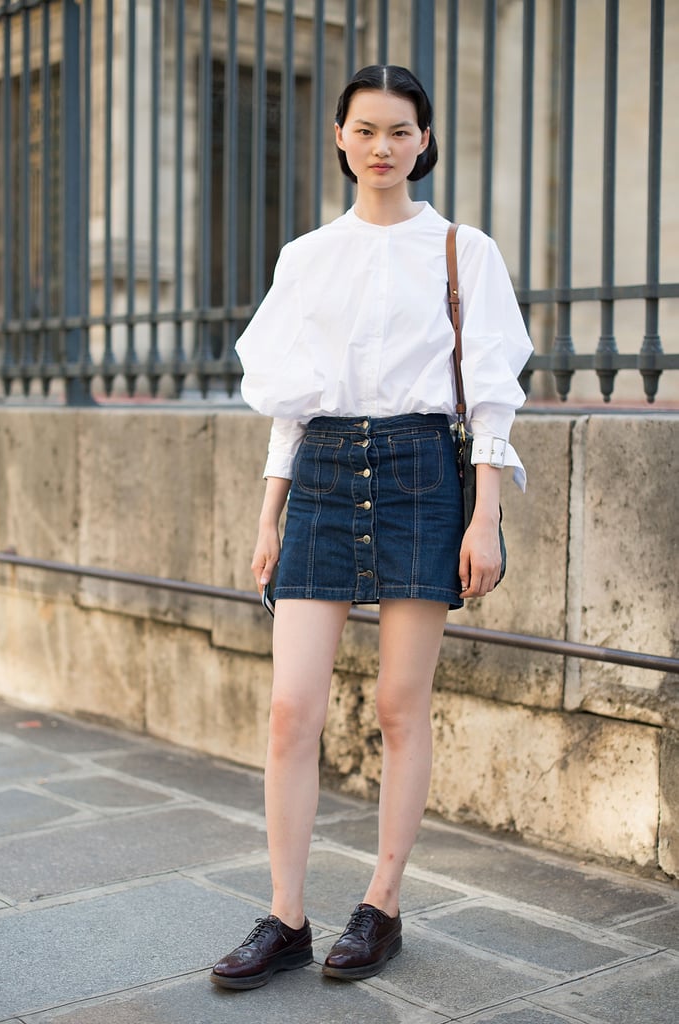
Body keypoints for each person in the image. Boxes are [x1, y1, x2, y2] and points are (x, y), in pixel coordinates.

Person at [210, 64, 532, 991]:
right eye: (365, 129)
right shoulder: (307, 255)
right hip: (320, 474)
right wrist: (268, 512)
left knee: (399, 705)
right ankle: (285, 916)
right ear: (341, 137)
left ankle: (381, 906)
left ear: (424, 141)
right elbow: (291, 403)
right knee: (288, 712)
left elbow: (494, 397)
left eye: (400, 130)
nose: (382, 146)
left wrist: (485, 517)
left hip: (423, 473)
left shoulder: (463, 251)